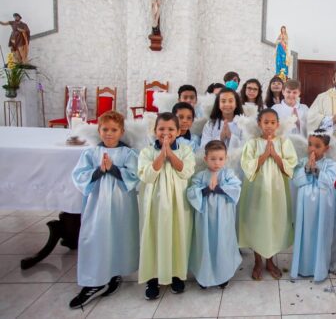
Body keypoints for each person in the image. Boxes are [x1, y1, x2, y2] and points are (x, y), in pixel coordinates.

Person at [69, 111, 140, 308]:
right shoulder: (91, 153)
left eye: (114, 130)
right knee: (95, 237)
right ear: (98, 131)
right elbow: (79, 176)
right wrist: (100, 170)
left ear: (122, 131)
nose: (109, 133)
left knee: (117, 236)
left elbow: (135, 176)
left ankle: (114, 273)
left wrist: (114, 169)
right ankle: (92, 281)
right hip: (97, 203)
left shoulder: (128, 153)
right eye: (105, 129)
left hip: (121, 204)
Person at [137, 112, 196, 300]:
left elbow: (186, 171)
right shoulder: (147, 152)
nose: (166, 132)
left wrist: (170, 153)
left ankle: (176, 274)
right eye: (161, 128)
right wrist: (161, 155)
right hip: (155, 205)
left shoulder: (185, 150)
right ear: (155, 131)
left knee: (177, 236)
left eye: (171, 129)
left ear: (178, 131)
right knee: (154, 237)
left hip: (178, 203)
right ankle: (153, 277)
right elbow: (146, 175)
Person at [239, 109, 298, 280]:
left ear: (277, 124)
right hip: (256, 191)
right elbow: (247, 165)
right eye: (266, 122)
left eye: (273, 122)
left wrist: (275, 156)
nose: (269, 126)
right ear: (259, 124)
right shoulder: (252, 143)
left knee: (273, 222)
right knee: (258, 222)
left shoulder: (284, 142)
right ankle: (258, 261)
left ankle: (270, 261)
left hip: (277, 191)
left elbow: (290, 164)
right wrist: (265, 155)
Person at [187, 140, 242, 289]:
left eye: (220, 159)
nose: (217, 163)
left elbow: (236, 189)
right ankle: (204, 275)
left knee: (222, 243)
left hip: (223, 218)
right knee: (205, 243)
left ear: (226, 158)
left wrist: (218, 188)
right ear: (205, 159)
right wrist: (205, 190)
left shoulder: (228, 174)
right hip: (204, 219)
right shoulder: (200, 175)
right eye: (212, 159)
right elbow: (191, 192)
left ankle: (223, 275)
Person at [290, 129, 336, 281]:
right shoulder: (302, 162)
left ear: (326, 148)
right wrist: (307, 169)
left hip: (322, 205)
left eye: (317, 146)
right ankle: (303, 266)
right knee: (304, 233)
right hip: (304, 205)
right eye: (310, 145)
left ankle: (319, 268)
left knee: (320, 233)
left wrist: (316, 170)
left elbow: (329, 181)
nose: (312, 149)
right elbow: (297, 181)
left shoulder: (330, 163)